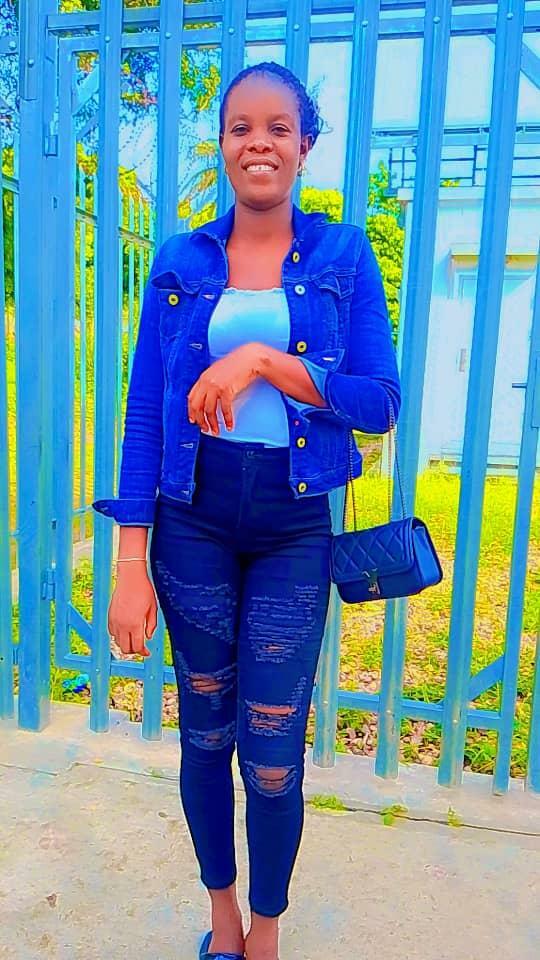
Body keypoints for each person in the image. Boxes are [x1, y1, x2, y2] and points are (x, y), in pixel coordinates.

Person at [93, 61, 401, 960]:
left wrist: (265, 361)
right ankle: (224, 920)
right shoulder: (181, 261)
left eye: (277, 128)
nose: (257, 143)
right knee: (205, 733)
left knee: (270, 753)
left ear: (305, 146)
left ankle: (267, 932)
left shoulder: (344, 257)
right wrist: (129, 564)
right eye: (239, 128)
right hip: (190, 520)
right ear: (222, 145)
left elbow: (379, 401)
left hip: (292, 525)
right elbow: (145, 416)